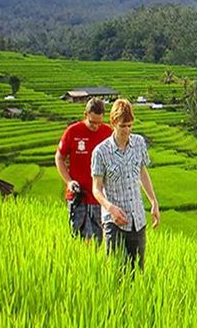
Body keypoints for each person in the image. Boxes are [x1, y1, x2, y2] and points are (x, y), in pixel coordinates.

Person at [92, 99, 159, 270]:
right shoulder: (101, 152)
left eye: (130, 126)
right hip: (114, 222)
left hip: (137, 219)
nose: (127, 131)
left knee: (137, 271)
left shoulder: (138, 143)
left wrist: (153, 202)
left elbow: (142, 172)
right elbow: (96, 189)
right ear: (113, 122)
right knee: (116, 272)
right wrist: (110, 208)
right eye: (123, 126)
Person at [55, 98, 113, 242]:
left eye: (99, 122)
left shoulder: (108, 133)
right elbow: (59, 158)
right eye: (92, 122)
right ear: (85, 115)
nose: (95, 126)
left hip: (99, 197)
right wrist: (69, 181)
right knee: (77, 238)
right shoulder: (72, 132)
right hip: (78, 195)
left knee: (98, 240)